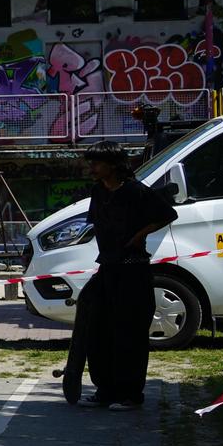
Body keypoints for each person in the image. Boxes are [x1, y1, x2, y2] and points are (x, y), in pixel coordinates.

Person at [71, 140, 178, 411]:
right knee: (99, 329)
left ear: (114, 165)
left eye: (97, 163)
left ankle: (130, 394)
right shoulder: (99, 191)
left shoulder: (135, 191)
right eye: (91, 162)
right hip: (108, 267)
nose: (92, 168)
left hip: (133, 270)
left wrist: (140, 235)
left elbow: (168, 214)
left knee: (128, 332)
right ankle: (105, 390)